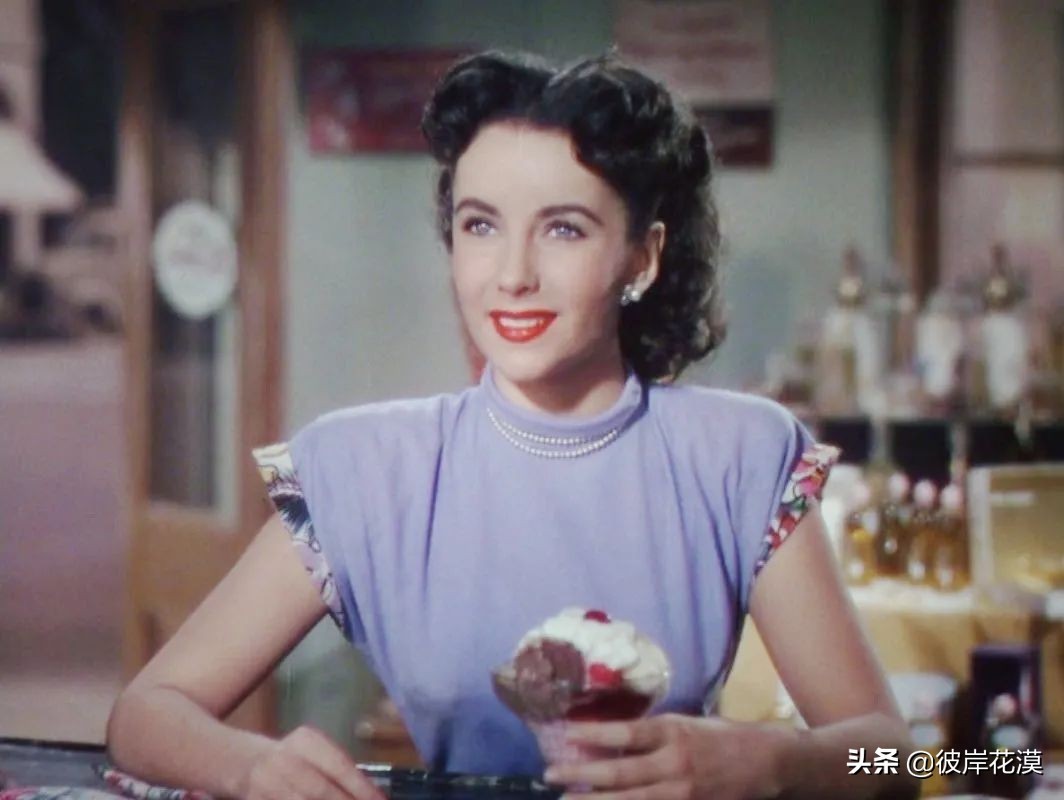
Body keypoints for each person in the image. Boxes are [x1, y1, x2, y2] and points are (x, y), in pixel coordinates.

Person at [107, 51, 918, 800]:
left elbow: (905, 759)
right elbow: (144, 715)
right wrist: (251, 767)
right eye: (480, 225)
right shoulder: (366, 468)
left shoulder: (739, 457)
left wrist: (773, 762)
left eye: (563, 228)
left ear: (641, 257)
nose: (512, 274)